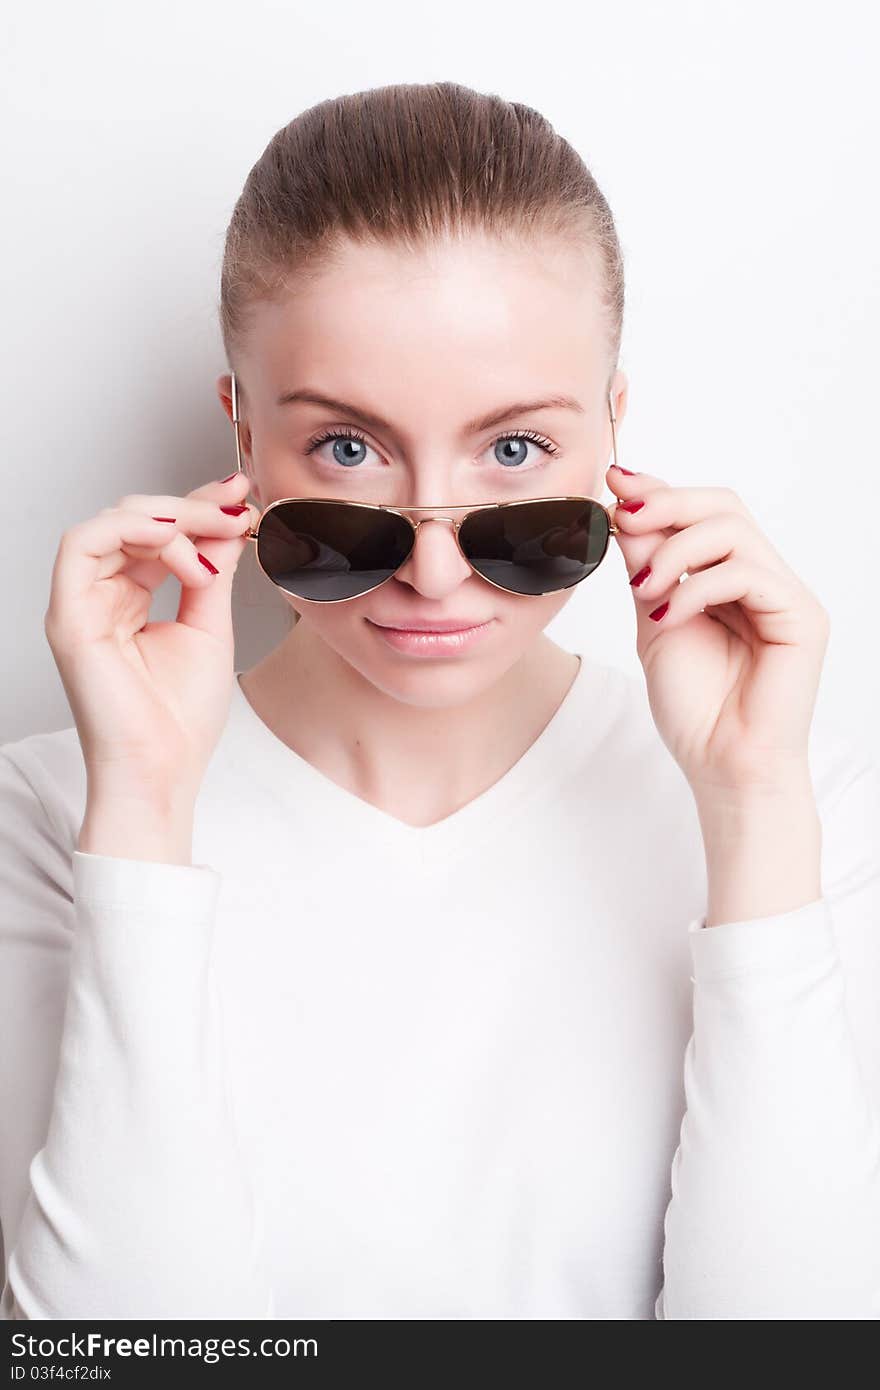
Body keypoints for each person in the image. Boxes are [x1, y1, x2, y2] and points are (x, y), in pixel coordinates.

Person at [1, 81, 878, 1322]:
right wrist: (141, 807)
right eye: (348, 449)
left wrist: (751, 814)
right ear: (241, 429)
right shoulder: (49, 819)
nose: (431, 565)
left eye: (514, 450)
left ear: (613, 428)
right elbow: (120, 1355)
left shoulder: (807, 813)